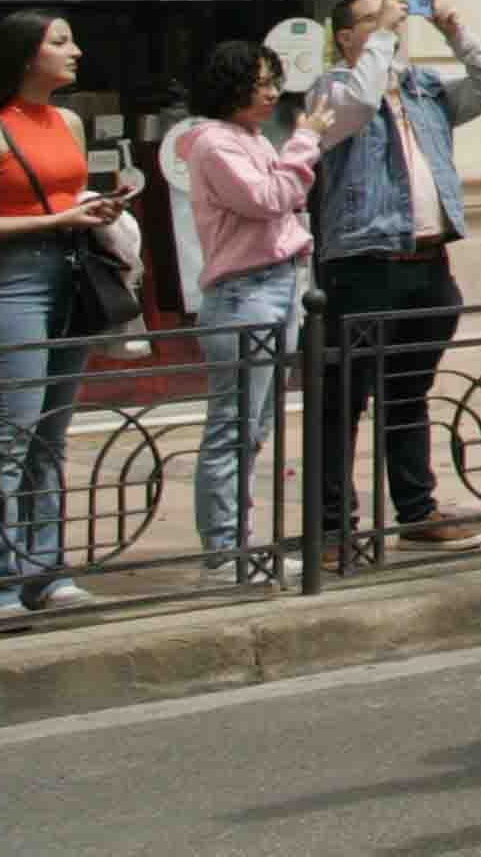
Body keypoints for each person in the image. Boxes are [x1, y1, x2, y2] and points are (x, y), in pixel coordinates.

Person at [309, 0, 481, 553]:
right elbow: (356, 107)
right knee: (342, 399)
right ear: (344, 38)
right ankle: (330, 528)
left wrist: (456, 32)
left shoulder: (420, 87)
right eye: (370, 21)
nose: (388, 26)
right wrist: (384, 39)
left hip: (427, 259)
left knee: (408, 392)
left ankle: (416, 510)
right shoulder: (334, 88)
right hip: (363, 263)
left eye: (391, 16)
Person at [0, 10, 120, 618]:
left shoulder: (68, 121)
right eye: (61, 42)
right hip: (14, 284)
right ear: (25, 55)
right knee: (9, 437)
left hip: (70, 276)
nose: (76, 51)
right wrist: (56, 220)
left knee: (49, 437)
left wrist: (99, 209)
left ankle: (45, 573)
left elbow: (68, 195)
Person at [173, 41, 340, 574]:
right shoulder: (216, 145)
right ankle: (225, 553)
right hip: (244, 293)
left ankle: (240, 544)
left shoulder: (248, 138)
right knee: (235, 424)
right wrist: (305, 141)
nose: (272, 94)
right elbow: (268, 199)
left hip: (278, 284)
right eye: (262, 83)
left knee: (254, 425)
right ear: (231, 87)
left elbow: (281, 197)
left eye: (274, 82)